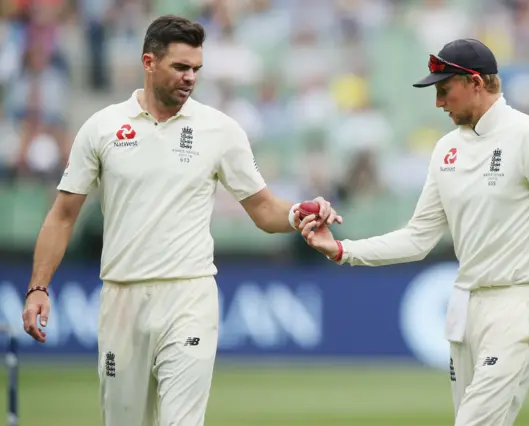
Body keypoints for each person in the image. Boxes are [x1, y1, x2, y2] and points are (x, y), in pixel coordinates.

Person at [21, 15, 341, 426]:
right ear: (149, 62)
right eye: (180, 67)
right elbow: (63, 215)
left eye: (196, 70)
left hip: (189, 294)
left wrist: (300, 214)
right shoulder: (101, 128)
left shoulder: (220, 129)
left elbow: (263, 210)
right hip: (122, 296)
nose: (190, 78)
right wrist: (38, 286)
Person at [297, 38, 529, 426]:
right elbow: (418, 237)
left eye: (444, 91)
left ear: (475, 82)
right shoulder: (446, 150)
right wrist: (341, 249)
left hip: (520, 302)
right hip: (465, 303)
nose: (439, 103)